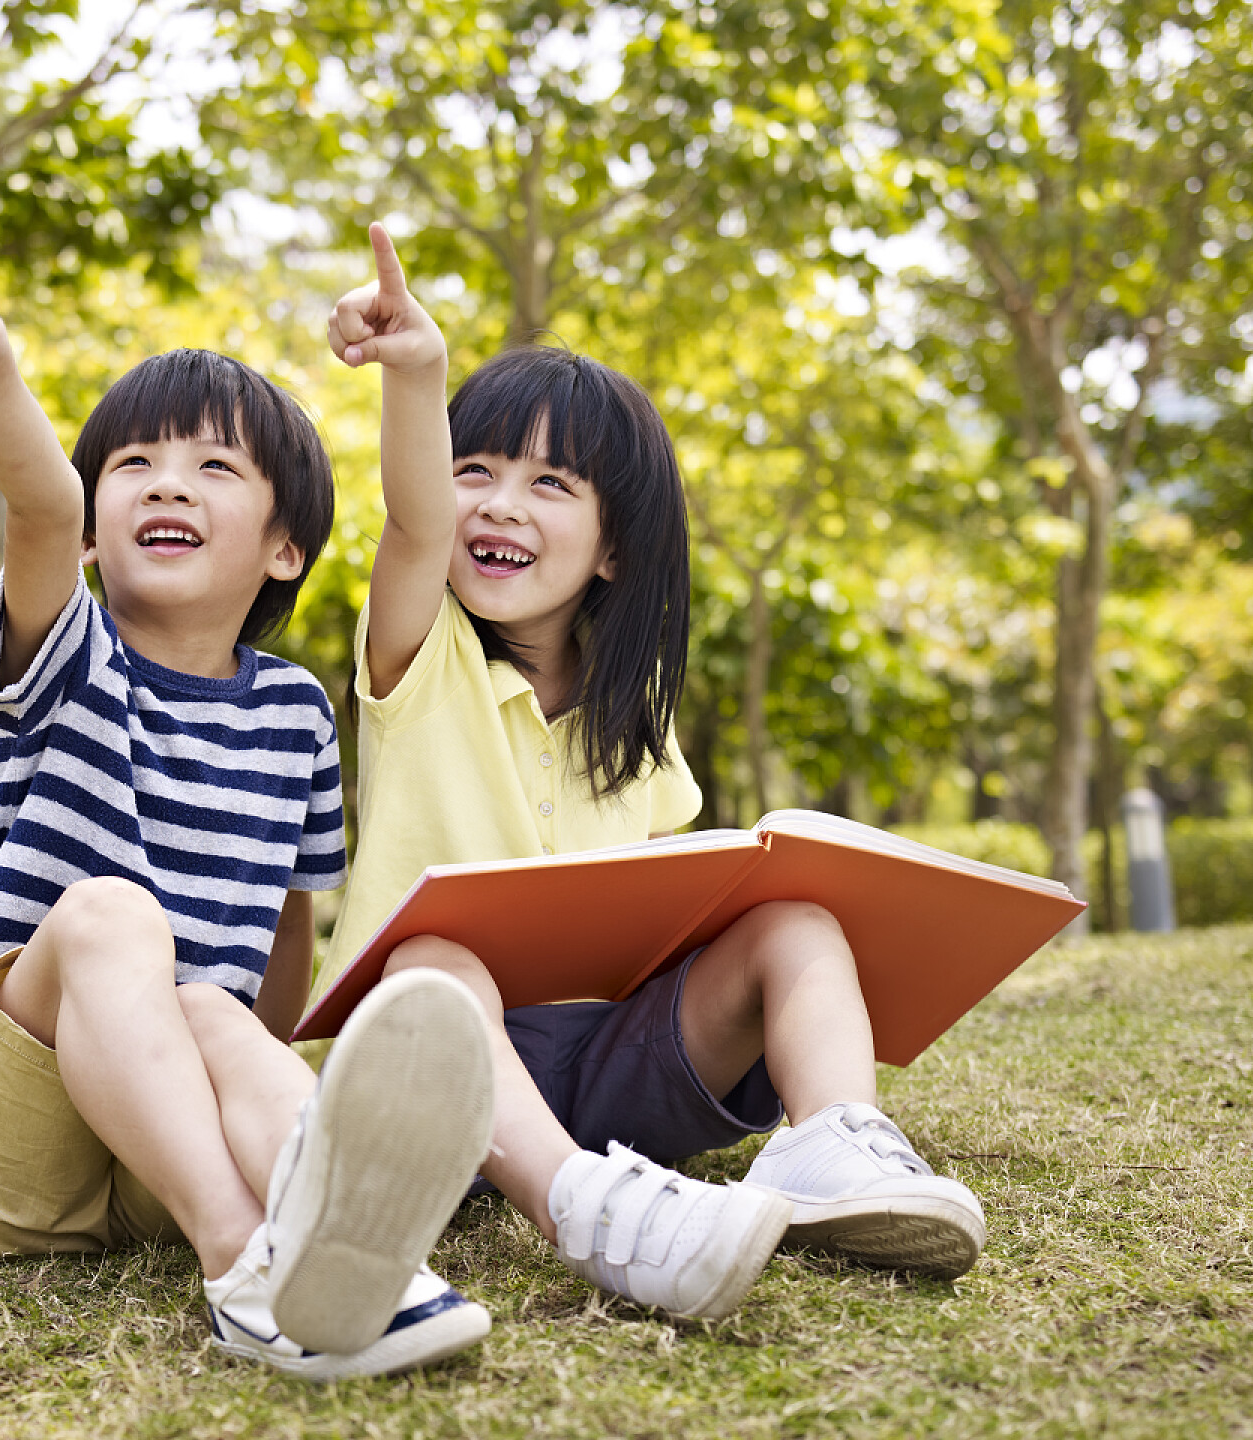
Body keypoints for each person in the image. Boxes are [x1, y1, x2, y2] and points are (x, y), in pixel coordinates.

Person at [312, 223, 987, 1320]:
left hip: (616, 1071)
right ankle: (584, 1206)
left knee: (798, 923)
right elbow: (411, 515)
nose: (497, 505)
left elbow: (654, 944)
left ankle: (835, 1154)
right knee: (431, 957)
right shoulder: (417, 657)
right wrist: (418, 374)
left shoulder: (640, 734)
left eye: (549, 485)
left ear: (613, 547)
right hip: (445, 1079)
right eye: (474, 471)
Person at [0, 202, 497, 1379]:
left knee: (213, 1006)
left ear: (285, 548)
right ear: (99, 530)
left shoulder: (297, 713)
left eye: (215, 467)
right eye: (136, 466)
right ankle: (244, 1265)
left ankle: (347, 1234)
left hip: (156, 1144)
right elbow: (38, 499)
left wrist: (263, 1090)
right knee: (117, 919)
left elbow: (287, 955)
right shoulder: (66, 656)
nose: (167, 484)